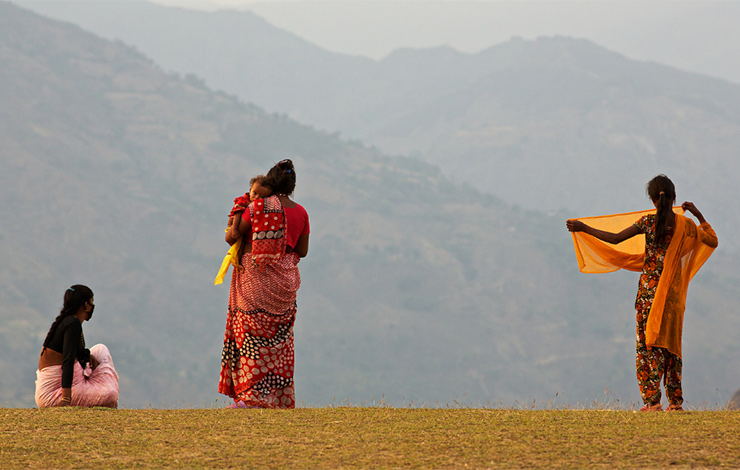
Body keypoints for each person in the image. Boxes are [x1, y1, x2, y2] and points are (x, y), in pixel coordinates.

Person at [566, 175, 717, 411]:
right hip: (673, 297)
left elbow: (615, 239)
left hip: (649, 293)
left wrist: (584, 228)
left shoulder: (648, 222)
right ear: (673, 197)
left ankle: (652, 402)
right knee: (671, 346)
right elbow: (712, 240)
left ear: (653, 200)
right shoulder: (686, 226)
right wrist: (698, 215)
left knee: (648, 346)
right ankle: (675, 403)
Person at [219, 159, 310, 408]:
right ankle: (277, 398)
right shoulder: (301, 212)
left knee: (249, 336)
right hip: (285, 286)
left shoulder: (257, 207)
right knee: (278, 342)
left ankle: (249, 398)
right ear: (291, 186)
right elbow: (302, 251)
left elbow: (232, 238)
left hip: (254, 280)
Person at [35, 285, 119, 408]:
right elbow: (68, 361)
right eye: (92, 302)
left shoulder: (68, 321)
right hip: (54, 395)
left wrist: (88, 355)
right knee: (110, 394)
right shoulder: (73, 324)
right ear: (86, 305)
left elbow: (74, 350)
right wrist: (66, 398)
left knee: (100, 350)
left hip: (61, 389)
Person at [215, 176, 274, 285]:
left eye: (261, 197)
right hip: (235, 224)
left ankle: (238, 264)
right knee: (240, 246)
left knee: (240, 246)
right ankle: (238, 264)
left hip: (241, 226)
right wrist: (235, 229)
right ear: (250, 189)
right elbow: (237, 214)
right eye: (255, 193)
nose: (256, 197)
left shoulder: (255, 204)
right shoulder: (244, 200)